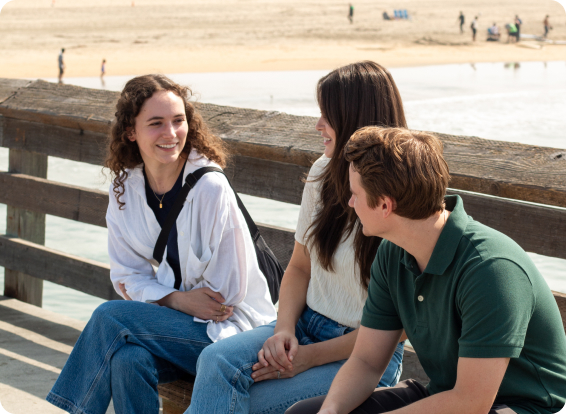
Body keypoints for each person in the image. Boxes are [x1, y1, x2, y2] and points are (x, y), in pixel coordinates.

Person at [285, 127, 566, 414]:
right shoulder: (392, 252)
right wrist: (329, 411)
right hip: (446, 393)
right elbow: (367, 362)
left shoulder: (491, 270)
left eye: (355, 193)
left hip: (520, 406)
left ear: (384, 205)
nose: (350, 202)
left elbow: (471, 402)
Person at [46, 74, 277, 414]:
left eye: (178, 121)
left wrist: (169, 301)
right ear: (131, 131)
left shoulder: (210, 188)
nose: (171, 134)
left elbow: (223, 301)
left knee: (110, 316)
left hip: (232, 335)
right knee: (128, 358)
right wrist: (176, 299)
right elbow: (126, 275)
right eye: (156, 123)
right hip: (180, 324)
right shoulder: (124, 189)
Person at [187, 61, 407, 414]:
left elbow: (398, 328)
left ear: (355, 118)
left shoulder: (402, 197)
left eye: (327, 114)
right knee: (215, 361)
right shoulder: (324, 171)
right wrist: (284, 330)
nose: (318, 124)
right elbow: (300, 267)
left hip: (362, 356)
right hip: (304, 325)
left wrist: (309, 358)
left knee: (250, 405)